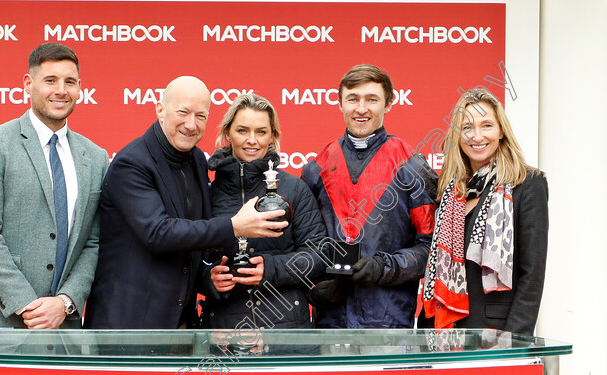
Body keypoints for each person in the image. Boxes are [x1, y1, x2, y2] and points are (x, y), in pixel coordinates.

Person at [84, 76, 287, 329]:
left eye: (201, 116)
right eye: (183, 112)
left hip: (179, 324)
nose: (191, 125)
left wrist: (210, 276)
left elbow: (194, 240)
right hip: (130, 325)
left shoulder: (197, 160)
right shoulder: (132, 163)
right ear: (160, 110)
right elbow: (159, 233)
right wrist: (234, 226)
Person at [0, 43, 108, 328]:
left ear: (79, 88)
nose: (61, 90)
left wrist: (64, 302)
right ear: (28, 83)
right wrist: (28, 305)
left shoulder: (96, 157)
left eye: (69, 82)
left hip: (62, 325)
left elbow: (93, 242)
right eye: (50, 80)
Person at [301, 64, 438, 328]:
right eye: (352, 99)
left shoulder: (413, 166)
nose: (361, 109)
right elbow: (301, 246)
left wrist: (382, 267)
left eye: (371, 100)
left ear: (388, 104)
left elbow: (431, 249)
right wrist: (312, 286)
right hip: (329, 324)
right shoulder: (316, 168)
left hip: (388, 325)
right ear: (340, 103)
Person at [420, 87, 548, 334]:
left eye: (486, 125)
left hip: (495, 333)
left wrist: (514, 342)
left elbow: (532, 276)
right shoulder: (450, 188)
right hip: (442, 329)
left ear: (501, 131)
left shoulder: (527, 183)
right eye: (467, 127)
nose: (476, 136)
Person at [203, 93, 327, 329]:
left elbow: (319, 257)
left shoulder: (293, 188)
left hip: (287, 334)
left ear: (272, 136)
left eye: (261, 131)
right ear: (228, 133)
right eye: (242, 130)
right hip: (225, 333)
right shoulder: (208, 192)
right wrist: (208, 280)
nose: (252, 140)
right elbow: (188, 262)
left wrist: (271, 269)